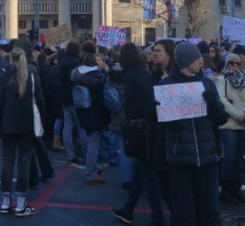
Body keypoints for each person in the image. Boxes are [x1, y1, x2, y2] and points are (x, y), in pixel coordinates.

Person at [160, 42, 228, 226]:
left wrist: (213, 102)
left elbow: (220, 119)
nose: (201, 60)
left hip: (207, 157)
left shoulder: (206, 83)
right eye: (195, 57)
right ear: (184, 61)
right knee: (183, 208)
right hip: (180, 157)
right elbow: (161, 126)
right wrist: (154, 112)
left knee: (209, 206)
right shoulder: (166, 86)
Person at [112, 42, 165, 226]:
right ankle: (128, 209)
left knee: (148, 176)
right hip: (147, 126)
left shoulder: (130, 76)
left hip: (139, 129)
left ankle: (158, 216)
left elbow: (131, 104)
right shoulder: (144, 73)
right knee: (139, 173)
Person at [0, 46, 44, 217]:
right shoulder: (32, 76)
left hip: (8, 124)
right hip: (26, 124)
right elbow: (40, 102)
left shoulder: (5, 76)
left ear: (10, 58)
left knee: (7, 161)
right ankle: (21, 203)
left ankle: (6, 201)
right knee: (24, 162)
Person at [215, 53, 245, 205]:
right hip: (229, 123)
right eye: (231, 63)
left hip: (242, 122)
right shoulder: (221, 79)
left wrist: (243, 113)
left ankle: (235, 187)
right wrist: (237, 114)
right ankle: (225, 189)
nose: (235, 66)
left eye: (238, 63)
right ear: (226, 64)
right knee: (229, 157)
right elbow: (221, 98)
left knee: (239, 158)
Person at [71, 51, 109, 185]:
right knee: (94, 142)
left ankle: (92, 164)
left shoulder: (77, 76)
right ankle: (91, 173)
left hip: (82, 111)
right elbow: (102, 98)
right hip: (95, 113)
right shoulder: (98, 78)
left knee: (88, 139)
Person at [58, 41, 83, 163]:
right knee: (81, 126)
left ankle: (70, 155)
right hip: (75, 98)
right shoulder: (77, 63)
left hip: (64, 98)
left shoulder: (62, 62)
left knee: (67, 127)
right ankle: (86, 153)